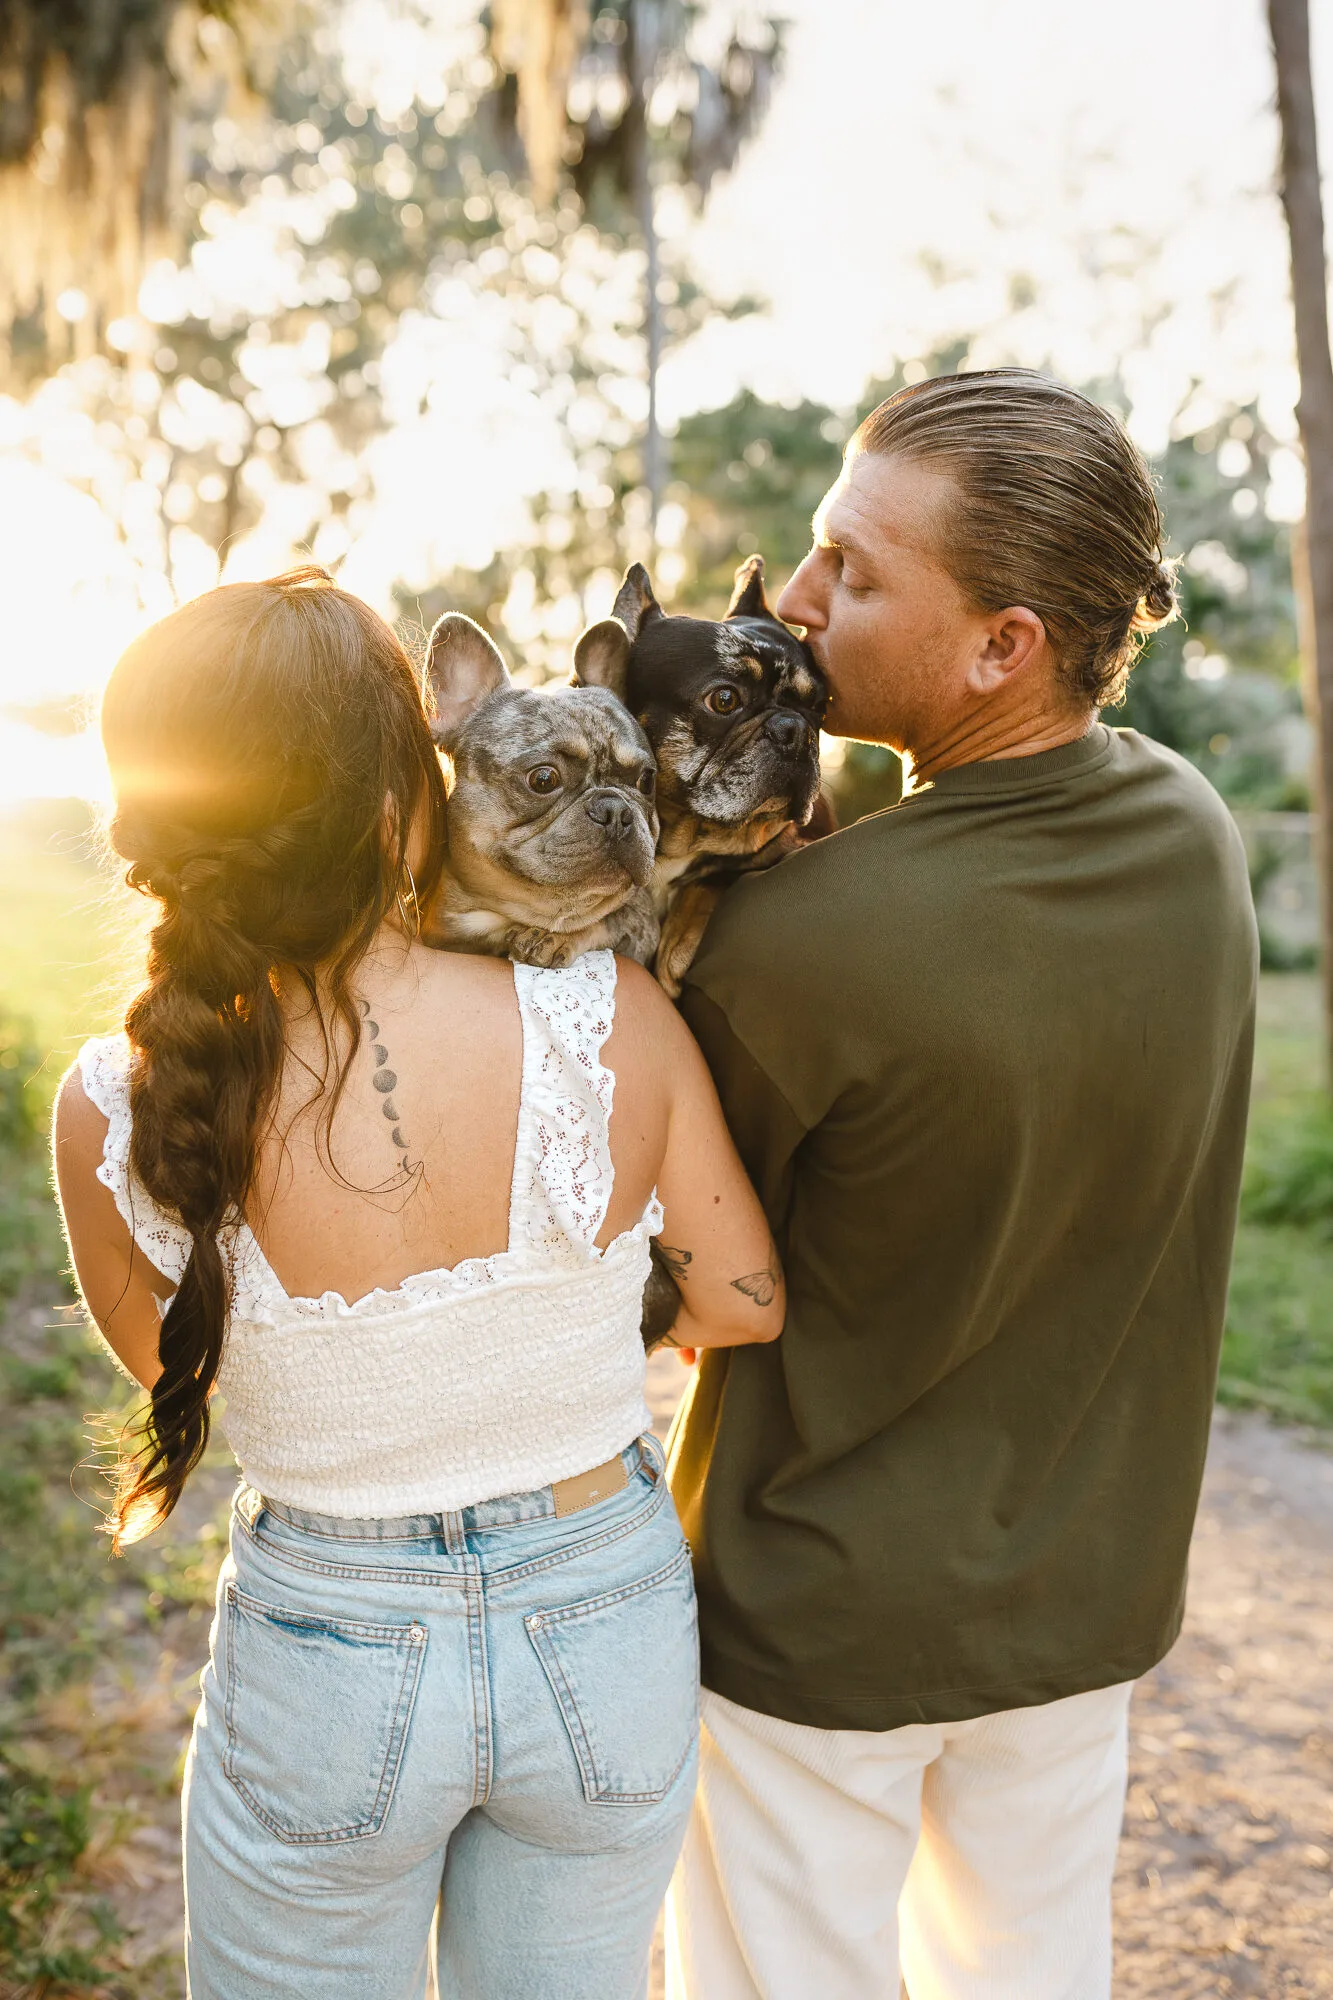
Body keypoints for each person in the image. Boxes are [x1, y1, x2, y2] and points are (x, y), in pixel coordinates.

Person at [52, 567, 783, 2000]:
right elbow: (743, 1298)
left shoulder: (118, 1101)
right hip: (605, 1616)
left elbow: (175, 1367)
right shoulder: (607, 1012)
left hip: (327, 1640)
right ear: (414, 782)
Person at [664, 371, 1259, 2000]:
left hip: (811, 1623)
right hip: (1082, 1605)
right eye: (814, 551)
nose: (794, 603)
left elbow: (679, 1284)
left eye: (854, 574)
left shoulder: (797, 945)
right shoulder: (1194, 837)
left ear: (1007, 643)